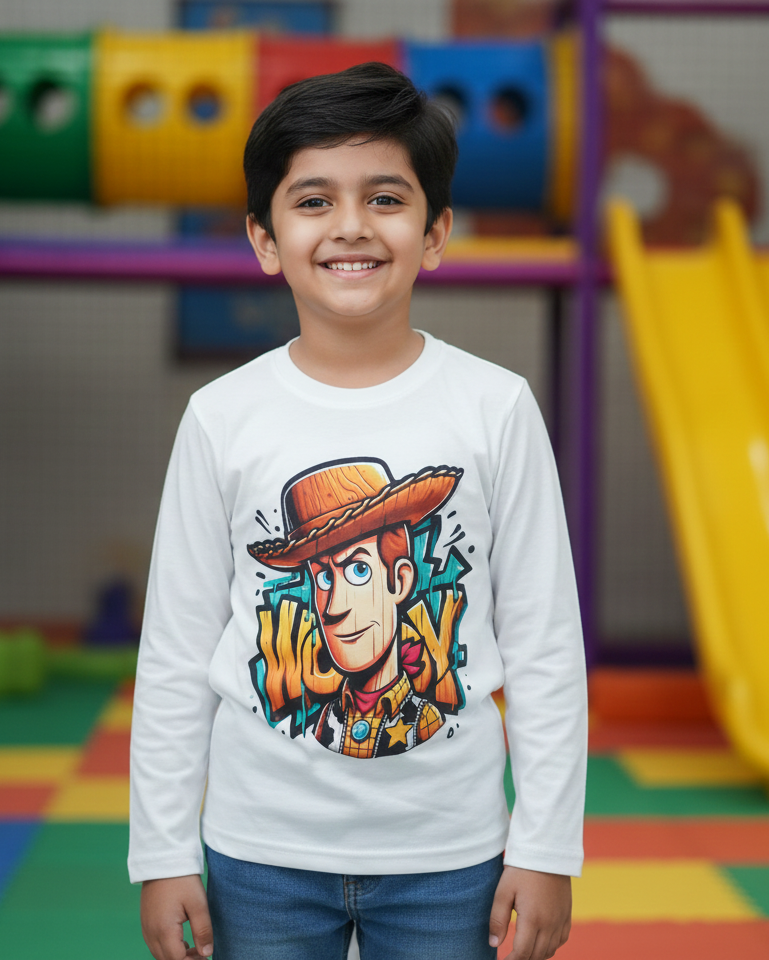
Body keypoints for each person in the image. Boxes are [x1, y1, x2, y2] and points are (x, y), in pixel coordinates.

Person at [130, 62, 587, 960]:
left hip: (451, 856)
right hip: (257, 853)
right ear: (263, 238)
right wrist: (160, 846)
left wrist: (545, 847)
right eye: (312, 201)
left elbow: (543, 647)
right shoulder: (222, 417)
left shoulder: (494, 408)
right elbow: (177, 651)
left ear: (436, 231)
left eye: (385, 197)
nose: (350, 227)